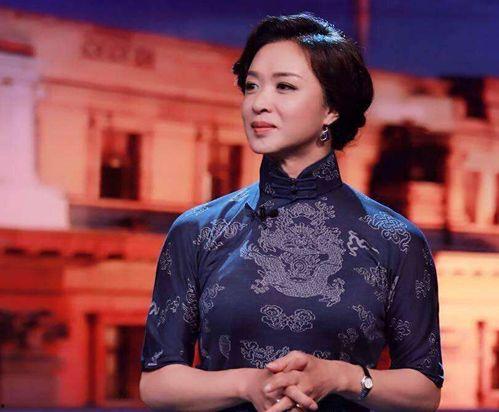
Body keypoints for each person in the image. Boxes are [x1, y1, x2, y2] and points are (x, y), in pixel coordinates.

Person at [139, 11, 444, 412]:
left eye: (284, 86)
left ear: (331, 108)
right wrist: (248, 384)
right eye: (251, 86)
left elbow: (425, 390)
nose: (258, 103)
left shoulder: (394, 239)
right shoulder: (198, 231)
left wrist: (340, 377)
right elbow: (156, 382)